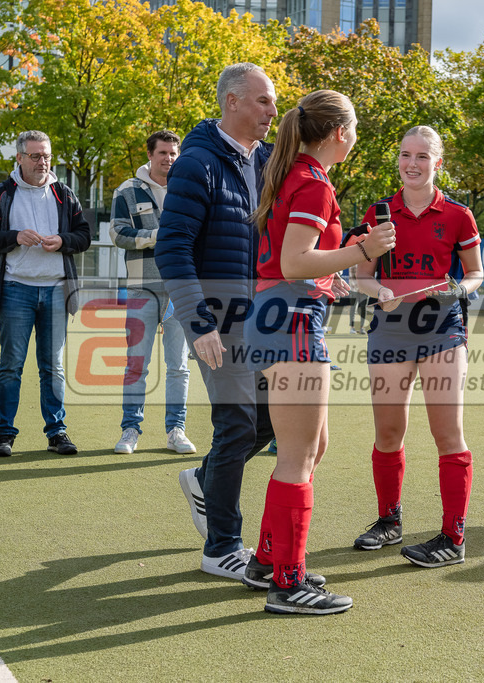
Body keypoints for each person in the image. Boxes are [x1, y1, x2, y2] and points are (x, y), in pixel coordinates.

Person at [243, 89, 395, 615]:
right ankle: (288, 583)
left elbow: (296, 262)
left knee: (312, 446)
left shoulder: (299, 176)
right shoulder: (310, 182)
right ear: (340, 134)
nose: (355, 137)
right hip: (291, 321)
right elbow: (293, 262)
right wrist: (363, 251)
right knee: (298, 455)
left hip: (283, 316)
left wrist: (335, 269)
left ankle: (268, 559)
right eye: (354, 129)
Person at [155, 63, 278, 581]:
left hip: (261, 320)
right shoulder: (197, 162)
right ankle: (221, 546)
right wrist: (198, 323)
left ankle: (205, 480)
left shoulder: (270, 160)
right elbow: (172, 247)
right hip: (216, 320)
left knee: (268, 424)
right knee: (237, 424)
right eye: (264, 101)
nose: (273, 111)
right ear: (232, 102)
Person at [351, 125, 484, 568]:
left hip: (443, 333)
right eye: (406, 155)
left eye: (423, 156)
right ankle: (389, 522)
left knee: (447, 435)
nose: (412, 163)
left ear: (437, 163)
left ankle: (452, 537)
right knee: (388, 434)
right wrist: (378, 291)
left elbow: (475, 274)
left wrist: (458, 290)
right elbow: (361, 275)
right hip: (390, 332)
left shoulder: (459, 216)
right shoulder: (379, 212)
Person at [0, 131, 91, 457]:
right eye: (36, 156)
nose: (43, 162)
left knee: (53, 366)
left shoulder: (64, 194)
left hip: (56, 290)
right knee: (11, 365)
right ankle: (4, 435)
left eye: (47, 156)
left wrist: (63, 241)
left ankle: (57, 433)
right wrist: (14, 237)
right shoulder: (3, 193)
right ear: (20, 159)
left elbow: (84, 235)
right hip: (15, 290)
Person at [110, 130, 195, 455]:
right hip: (142, 289)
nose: (169, 159)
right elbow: (118, 233)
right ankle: (130, 430)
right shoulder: (128, 191)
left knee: (178, 367)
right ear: (150, 154)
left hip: (182, 289)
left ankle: (176, 430)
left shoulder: (188, 190)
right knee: (136, 365)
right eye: (163, 153)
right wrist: (155, 236)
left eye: (174, 153)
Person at [347, 264, 367, 333]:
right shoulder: (353, 262)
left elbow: (368, 276)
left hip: (364, 290)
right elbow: (353, 277)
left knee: (363, 308)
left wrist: (364, 288)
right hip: (354, 290)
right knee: (353, 308)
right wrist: (360, 288)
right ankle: (352, 328)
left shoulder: (366, 262)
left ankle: (362, 328)